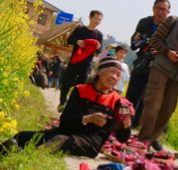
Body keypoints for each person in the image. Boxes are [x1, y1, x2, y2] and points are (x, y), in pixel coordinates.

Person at [2, 56, 133, 158]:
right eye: (112, 72)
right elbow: (65, 120)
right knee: (23, 136)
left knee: (60, 140)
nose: (114, 77)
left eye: (118, 75)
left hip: (90, 143)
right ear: (99, 72)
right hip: (67, 131)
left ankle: (23, 157)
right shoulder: (80, 90)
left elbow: (122, 138)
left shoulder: (118, 101)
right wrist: (88, 119)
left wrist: (126, 121)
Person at [138, 1, 178, 151]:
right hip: (160, 68)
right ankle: (144, 138)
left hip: (176, 76)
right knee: (153, 103)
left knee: (169, 108)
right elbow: (155, 40)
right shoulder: (172, 21)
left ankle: (154, 137)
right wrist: (168, 52)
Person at [126, 0, 171, 127]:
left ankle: (140, 126)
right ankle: (124, 124)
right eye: (158, 8)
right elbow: (134, 44)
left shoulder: (170, 27)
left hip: (158, 67)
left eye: (164, 9)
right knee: (131, 97)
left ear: (168, 12)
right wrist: (136, 39)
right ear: (153, 8)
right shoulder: (145, 22)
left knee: (151, 100)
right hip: (142, 63)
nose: (160, 12)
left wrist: (160, 50)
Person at [58, 10, 104, 112]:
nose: (97, 21)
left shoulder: (99, 35)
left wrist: (98, 47)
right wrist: (77, 42)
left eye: (99, 20)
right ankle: (62, 102)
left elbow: (99, 51)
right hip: (75, 61)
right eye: (96, 18)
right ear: (90, 18)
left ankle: (73, 106)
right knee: (66, 83)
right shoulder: (80, 29)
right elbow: (69, 40)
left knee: (81, 87)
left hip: (86, 65)